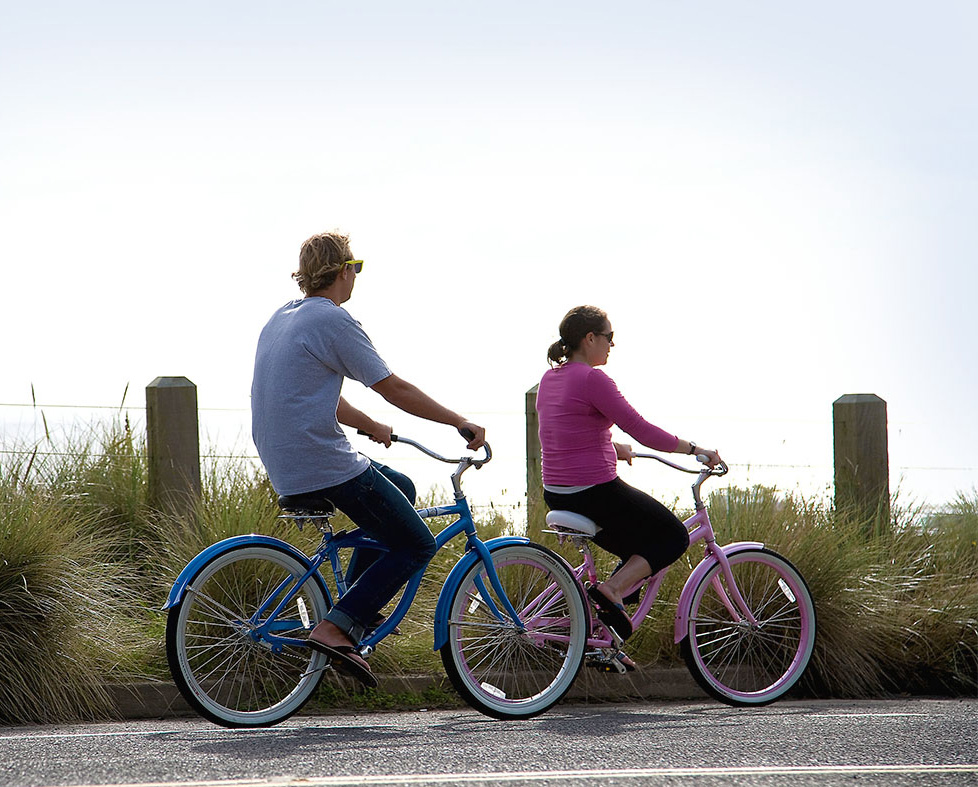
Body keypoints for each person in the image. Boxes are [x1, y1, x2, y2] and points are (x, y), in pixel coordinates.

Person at [251, 230, 485, 687]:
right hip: (321, 460)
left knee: (403, 487)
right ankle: (338, 626)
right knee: (417, 544)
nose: (355, 277)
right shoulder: (333, 320)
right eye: (355, 269)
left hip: (285, 460)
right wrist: (460, 422)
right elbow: (393, 388)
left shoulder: (283, 317)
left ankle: (352, 609)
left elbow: (311, 395)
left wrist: (369, 426)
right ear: (344, 271)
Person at [536, 305, 721, 652]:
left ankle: (599, 636)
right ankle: (612, 591)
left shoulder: (552, 378)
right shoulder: (593, 379)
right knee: (672, 537)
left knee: (640, 554)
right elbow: (642, 430)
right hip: (594, 492)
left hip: (558, 493)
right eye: (609, 337)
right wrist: (694, 448)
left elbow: (567, 427)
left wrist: (611, 445)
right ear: (590, 339)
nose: (612, 345)